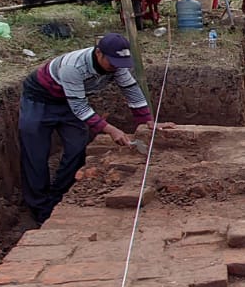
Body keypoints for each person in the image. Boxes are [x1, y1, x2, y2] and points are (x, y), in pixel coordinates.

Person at [18, 34, 153, 224]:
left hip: (69, 100)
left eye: (120, 62)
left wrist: (146, 122)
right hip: (40, 99)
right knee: (36, 155)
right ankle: (40, 210)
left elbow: (131, 90)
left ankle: (59, 196)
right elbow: (80, 107)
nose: (116, 66)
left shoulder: (117, 66)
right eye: (112, 62)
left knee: (77, 147)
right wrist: (110, 130)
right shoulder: (73, 67)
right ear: (99, 53)